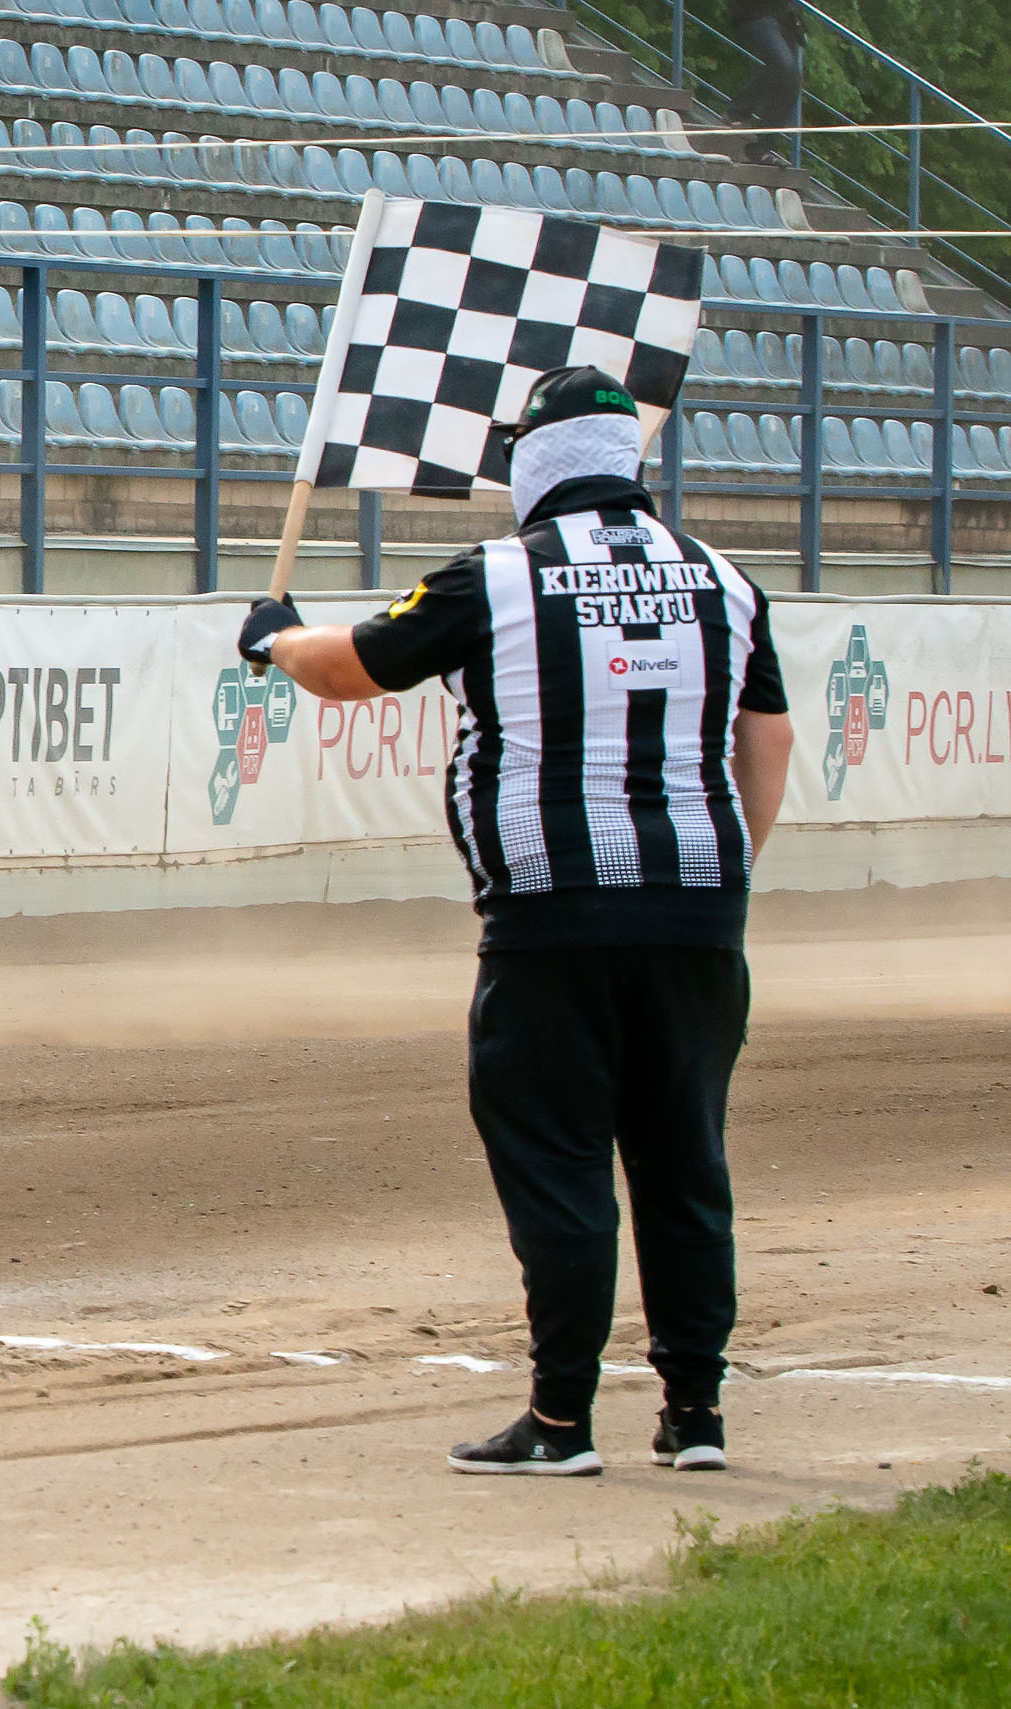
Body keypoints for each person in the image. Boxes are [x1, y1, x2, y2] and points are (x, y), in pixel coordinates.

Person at [236, 367, 795, 1477]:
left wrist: (273, 638)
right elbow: (765, 743)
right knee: (686, 1162)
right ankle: (694, 1415)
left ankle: (558, 1420)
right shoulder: (725, 582)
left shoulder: (494, 576)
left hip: (550, 916)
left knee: (559, 1161)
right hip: (696, 918)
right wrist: (713, 882)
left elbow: (351, 671)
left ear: (532, 460)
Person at [726, 0, 805, 166]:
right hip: (755, 12)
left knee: (791, 81)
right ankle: (738, 111)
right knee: (783, 65)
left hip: (783, 17)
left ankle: (761, 148)